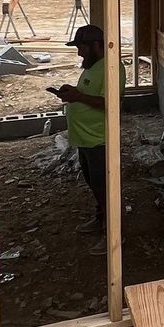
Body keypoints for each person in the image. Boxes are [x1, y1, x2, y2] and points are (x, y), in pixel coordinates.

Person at [52, 24, 108, 228]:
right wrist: (73, 92)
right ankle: (101, 219)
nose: (78, 52)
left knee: (105, 189)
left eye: (81, 47)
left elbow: (110, 103)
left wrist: (78, 96)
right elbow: (91, 95)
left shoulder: (110, 68)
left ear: (95, 45)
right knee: (95, 185)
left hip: (100, 139)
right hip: (85, 139)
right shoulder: (92, 66)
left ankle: (114, 235)